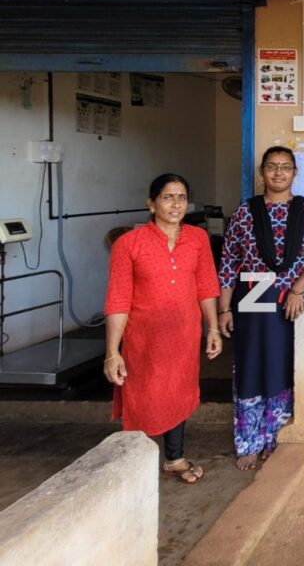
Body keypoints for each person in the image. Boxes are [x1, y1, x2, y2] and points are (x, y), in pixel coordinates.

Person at [103, 173, 222, 484]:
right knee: (141, 396)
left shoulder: (197, 239)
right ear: (151, 203)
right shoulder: (129, 244)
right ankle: (134, 465)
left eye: (181, 197)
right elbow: (118, 299)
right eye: (168, 197)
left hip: (184, 334)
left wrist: (212, 328)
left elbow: (206, 285)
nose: (176, 204)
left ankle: (174, 458)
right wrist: (112, 352)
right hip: (143, 338)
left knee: (177, 392)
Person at [217, 146, 304, 470]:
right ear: (262, 172)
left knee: (281, 365)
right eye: (272, 166)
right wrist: (224, 309)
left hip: (289, 300)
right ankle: (249, 441)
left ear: (295, 173)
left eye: (285, 167)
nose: (278, 173)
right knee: (251, 364)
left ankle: (275, 438)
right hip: (252, 295)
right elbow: (229, 261)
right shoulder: (245, 212)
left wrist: (298, 289)